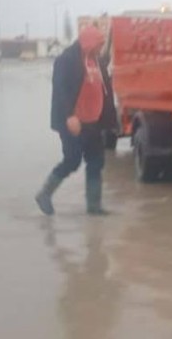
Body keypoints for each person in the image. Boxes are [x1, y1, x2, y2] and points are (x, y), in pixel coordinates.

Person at [36, 25, 118, 216]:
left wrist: (110, 121)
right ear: (89, 43)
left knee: (96, 162)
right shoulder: (66, 60)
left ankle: (94, 206)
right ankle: (44, 194)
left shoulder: (97, 61)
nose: (101, 48)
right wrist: (69, 116)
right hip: (73, 123)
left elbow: (105, 91)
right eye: (99, 44)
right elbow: (61, 91)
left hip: (94, 122)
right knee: (72, 161)